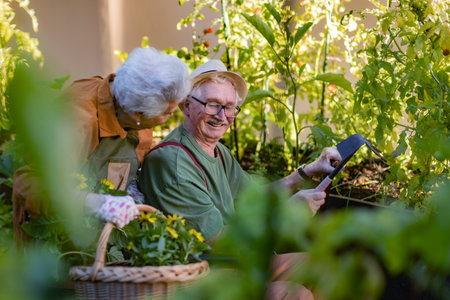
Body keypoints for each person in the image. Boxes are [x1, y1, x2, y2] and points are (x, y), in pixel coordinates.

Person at [139, 59, 341, 242]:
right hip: (207, 275)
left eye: (229, 107)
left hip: (237, 263)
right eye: (212, 105)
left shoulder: (217, 151)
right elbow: (217, 240)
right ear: (187, 106)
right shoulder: (173, 163)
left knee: (322, 268)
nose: (222, 116)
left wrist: (308, 170)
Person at [12, 47, 191, 243]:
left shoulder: (138, 103)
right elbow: (29, 183)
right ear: (137, 114)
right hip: (56, 241)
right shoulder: (77, 118)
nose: (171, 116)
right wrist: (95, 203)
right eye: (167, 113)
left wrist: (133, 189)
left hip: (102, 242)